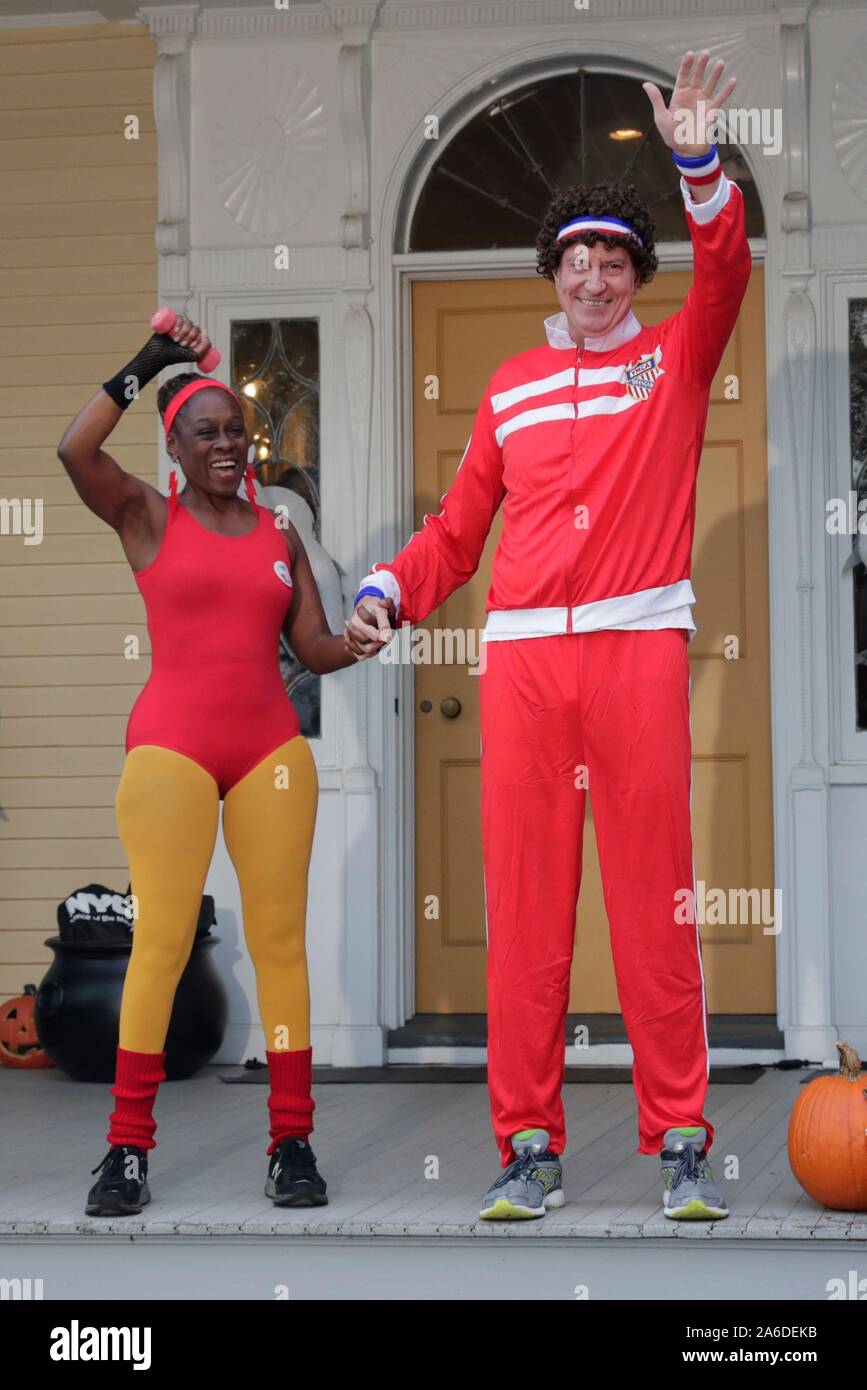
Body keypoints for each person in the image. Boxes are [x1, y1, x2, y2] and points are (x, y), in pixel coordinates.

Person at [345, 52, 751, 1221]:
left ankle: (679, 1140)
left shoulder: (670, 364)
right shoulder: (512, 387)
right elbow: (458, 531)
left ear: (635, 276)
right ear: (553, 273)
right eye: (575, 257)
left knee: (653, 901)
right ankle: (528, 1145)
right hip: (522, 660)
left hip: (634, 650)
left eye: (614, 259)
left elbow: (722, 268)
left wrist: (694, 160)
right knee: (525, 914)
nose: (593, 275)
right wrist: (390, 592)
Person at [57, 315, 358, 1216]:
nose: (228, 444)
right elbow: (74, 451)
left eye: (236, 430)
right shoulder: (145, 513)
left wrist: (370, 636)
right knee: (163, 942)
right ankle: (126, 1152)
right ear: (175, 444)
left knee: (280, 948)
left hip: (269, 750)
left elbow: (312, 645)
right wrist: (150, 363)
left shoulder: (279, 533)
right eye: (207, 432)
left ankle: (292, 1143)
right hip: (171, 750)